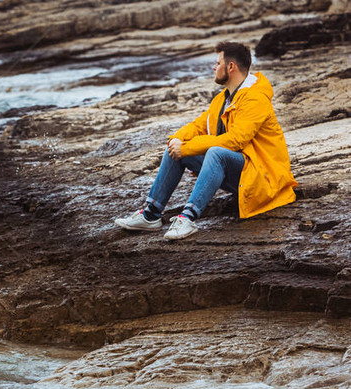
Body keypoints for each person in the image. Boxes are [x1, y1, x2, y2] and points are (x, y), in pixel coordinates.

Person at [114, 41, 298, 240]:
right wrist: (176, 139)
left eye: (217, 63)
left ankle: (188, 217)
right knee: (175, 149)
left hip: (263, 177)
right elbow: (199, 125)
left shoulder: (255, 98)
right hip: (243, 173)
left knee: (215, 152)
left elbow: (236, 140)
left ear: (231, 67)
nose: (214, 67)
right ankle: (151, 214)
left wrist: (187, 148)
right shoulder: (223, 98)